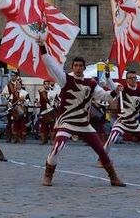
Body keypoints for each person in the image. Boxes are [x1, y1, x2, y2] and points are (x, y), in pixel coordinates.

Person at [38, 38, 125, 187]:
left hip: (84, 124)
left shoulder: (91, 83)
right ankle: (48, 174)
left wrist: (115, 91)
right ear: (72, 67)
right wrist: (42, 46)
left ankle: (113, 177)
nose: (78, 68)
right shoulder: (65, 79)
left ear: (84, 68)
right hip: (67, 122)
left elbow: (104, 96)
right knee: (57, 148)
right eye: (76, 65)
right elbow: (50, 64)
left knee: (101, 150)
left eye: (80, 66)